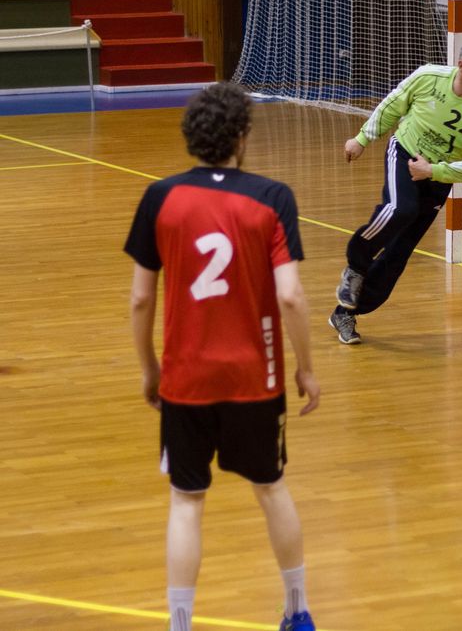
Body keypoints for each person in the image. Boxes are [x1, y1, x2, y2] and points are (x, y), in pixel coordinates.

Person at [125, 82, 321, 631]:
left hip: (186, 380)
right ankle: (298, 611)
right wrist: (305, 368)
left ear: (192, 137)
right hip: (255, 379)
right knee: (271, 488)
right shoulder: (273, 197)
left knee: (187, 501)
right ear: (242, 136)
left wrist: (149, 368)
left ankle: (180, 624)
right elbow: (291, 295)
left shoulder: (159, 197)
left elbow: (140, 298)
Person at [329, 36, 462, 344]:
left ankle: (345, 313)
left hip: (437, 175)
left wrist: (433, 171)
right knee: (401, 209)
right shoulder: (428, 77)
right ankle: (356, 265)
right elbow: (392, 105)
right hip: (405, 154)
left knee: (398, 254)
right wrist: (362, 139)